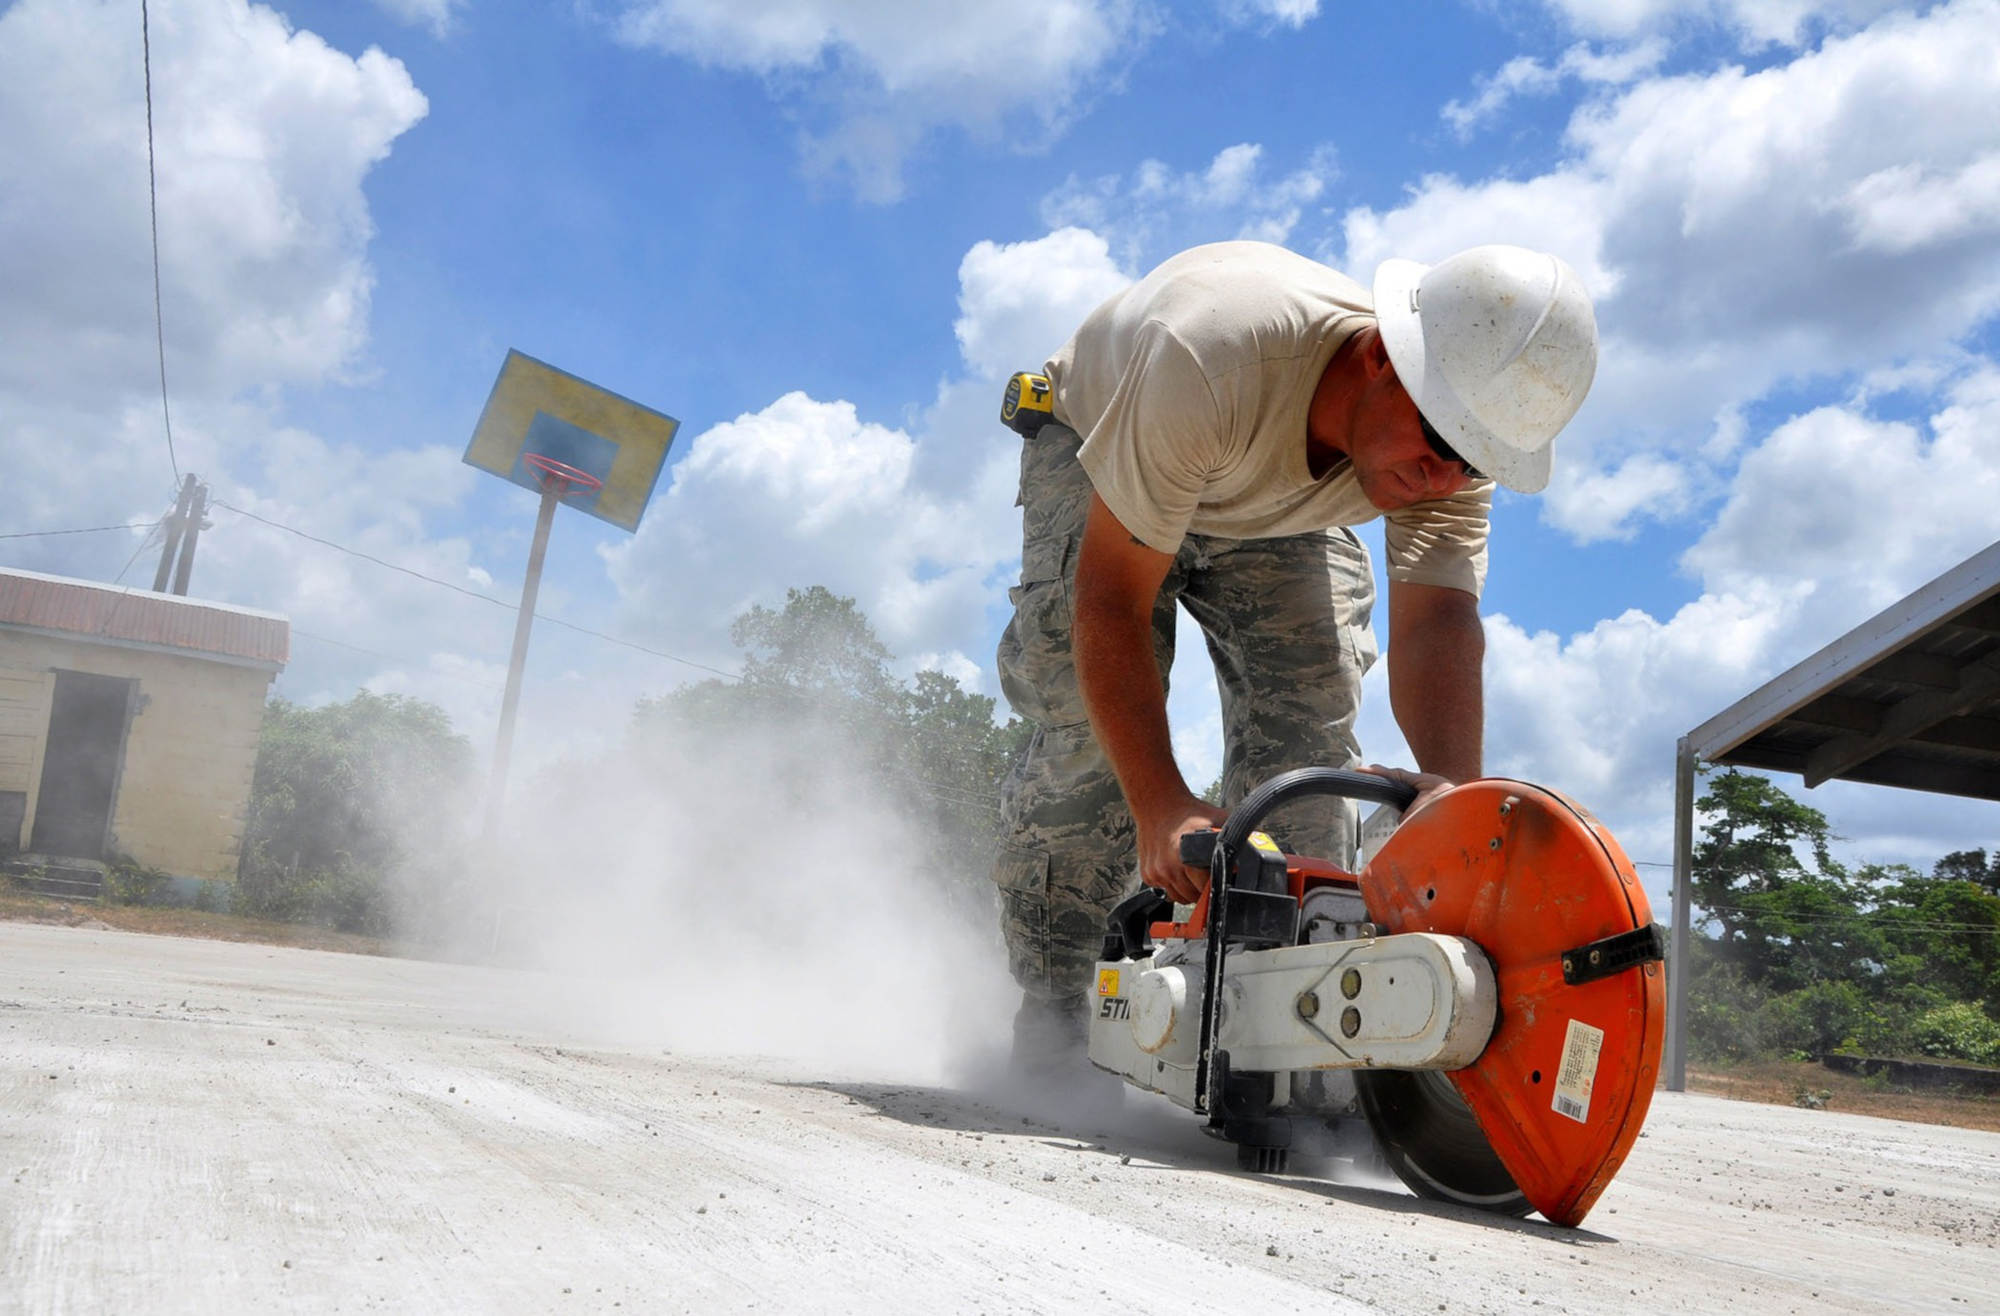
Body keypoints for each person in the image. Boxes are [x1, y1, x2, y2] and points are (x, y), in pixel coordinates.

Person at [989, 240, 1598, 1075]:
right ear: (1384, 357)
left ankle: (1273, 1040)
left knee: (1309, 749)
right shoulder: (1208, 357)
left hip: (1266, 497)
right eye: (1437, 444)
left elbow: (1439, 621)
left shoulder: (1453, 438)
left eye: (1472, 462)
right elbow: (1111, 602)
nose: (1443, 478)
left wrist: (1452, 799)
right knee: (1093, 741)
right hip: (1108, 441)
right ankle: (1057, 1027)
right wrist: (1162, 803)